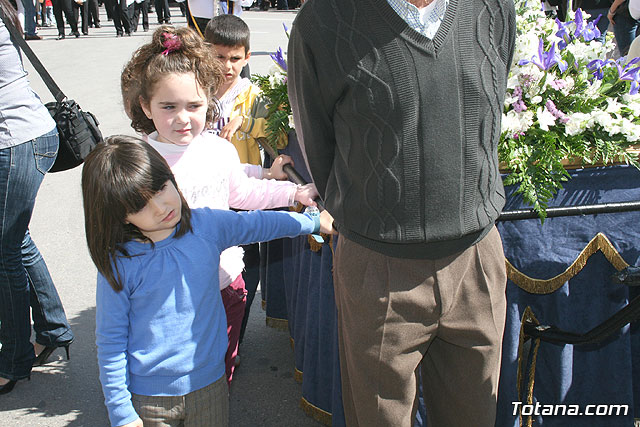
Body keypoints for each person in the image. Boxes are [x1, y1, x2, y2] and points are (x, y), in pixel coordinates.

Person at [288, 0, 516, 426]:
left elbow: (486, 118)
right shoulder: (323, 21)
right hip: (379, 270)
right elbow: (320, 150)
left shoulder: (494, 7)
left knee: (474, 415)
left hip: (476, 261)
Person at [84, 135, 331, 427]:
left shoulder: (206, 225)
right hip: (148, 398)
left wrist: (312, 222)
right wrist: (121, 412)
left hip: (209, 384)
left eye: (162, 188)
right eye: (141, 205)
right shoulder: (119, 262)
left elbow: (258, 224)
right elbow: (110, 341)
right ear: (121, 216)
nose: (161, 207)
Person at [121, 26, 319, 384]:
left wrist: (293, 194)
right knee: (172, 373)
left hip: (225, 283)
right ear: (146, 107)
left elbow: (243, 194)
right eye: (169, 106)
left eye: (194, 105)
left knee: (218, 369)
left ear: (208, 102)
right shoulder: (138, 159)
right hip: (166, 293)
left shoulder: (219, 151)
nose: (183, 118)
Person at [0, 0, 74, 395]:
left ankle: (13, 360)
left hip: (17, 142)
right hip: (24, 138)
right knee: (14, 239)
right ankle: (52, 330)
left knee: (4, 250)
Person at [204, 14, 282, 348]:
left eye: (235, 58)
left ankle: (234, 337)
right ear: (206, 52)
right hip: (201, 193)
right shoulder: (195, 88)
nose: (227, 65)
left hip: (241, 195)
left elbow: (277, 126)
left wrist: (246, 122)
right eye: (219, 56)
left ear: (247, 57)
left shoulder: (253, 94)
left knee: (245, 265)